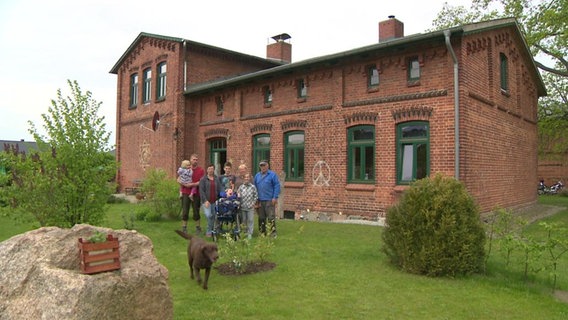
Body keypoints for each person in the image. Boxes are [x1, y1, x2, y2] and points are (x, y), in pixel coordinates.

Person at [254, 160, 281, 237]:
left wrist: (275, 197)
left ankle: (273, 233)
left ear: (267, 166)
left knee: (271, 217)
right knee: (261, 217)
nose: (263, 167)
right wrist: (255, 199)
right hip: (260, 200)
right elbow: (254, 187)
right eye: (261, 166)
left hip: (269, 199)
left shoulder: (272, 175)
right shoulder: (257, 176)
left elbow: (277, 186)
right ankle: (262, 232)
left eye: (264, 165)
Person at [179, 154, 205, 234]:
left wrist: (193, 185)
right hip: (185, 192)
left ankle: (198, 227)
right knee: (185, 210)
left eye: (196, 159)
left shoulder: (201, 170)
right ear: (190, 160)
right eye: (194, 159)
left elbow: (202, 181)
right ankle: (184, 228)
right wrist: (184, 184)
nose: (195, 161)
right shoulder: (185, 169)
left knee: (196, 211)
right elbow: (179, 178)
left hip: (196, 193)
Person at [199, 163, 223, 238]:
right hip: (206, 202)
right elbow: (201, 191)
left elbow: (220, 189)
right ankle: (209, 230)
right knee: (209, 215)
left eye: (212, 169)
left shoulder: (216, 179)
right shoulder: (203, 179)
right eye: (209, 169)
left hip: (214, 201)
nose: (210, 170)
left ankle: (213, 230)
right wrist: (205, 201)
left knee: (214, 216)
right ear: (207, 170)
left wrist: (224, 195)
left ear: (214, 170)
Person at [236, 172, 258, 239]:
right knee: (244, 220)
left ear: (250, 178)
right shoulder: (241, 187)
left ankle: (250, 233)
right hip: (243, 206)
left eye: (248, 177)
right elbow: (238, 195)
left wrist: (253, 204)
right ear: (244, 178)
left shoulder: (253, 187)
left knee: (250, 220)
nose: (246, 178)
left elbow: (256, 196)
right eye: (245, 177)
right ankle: (244, 232)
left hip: (250, 206)